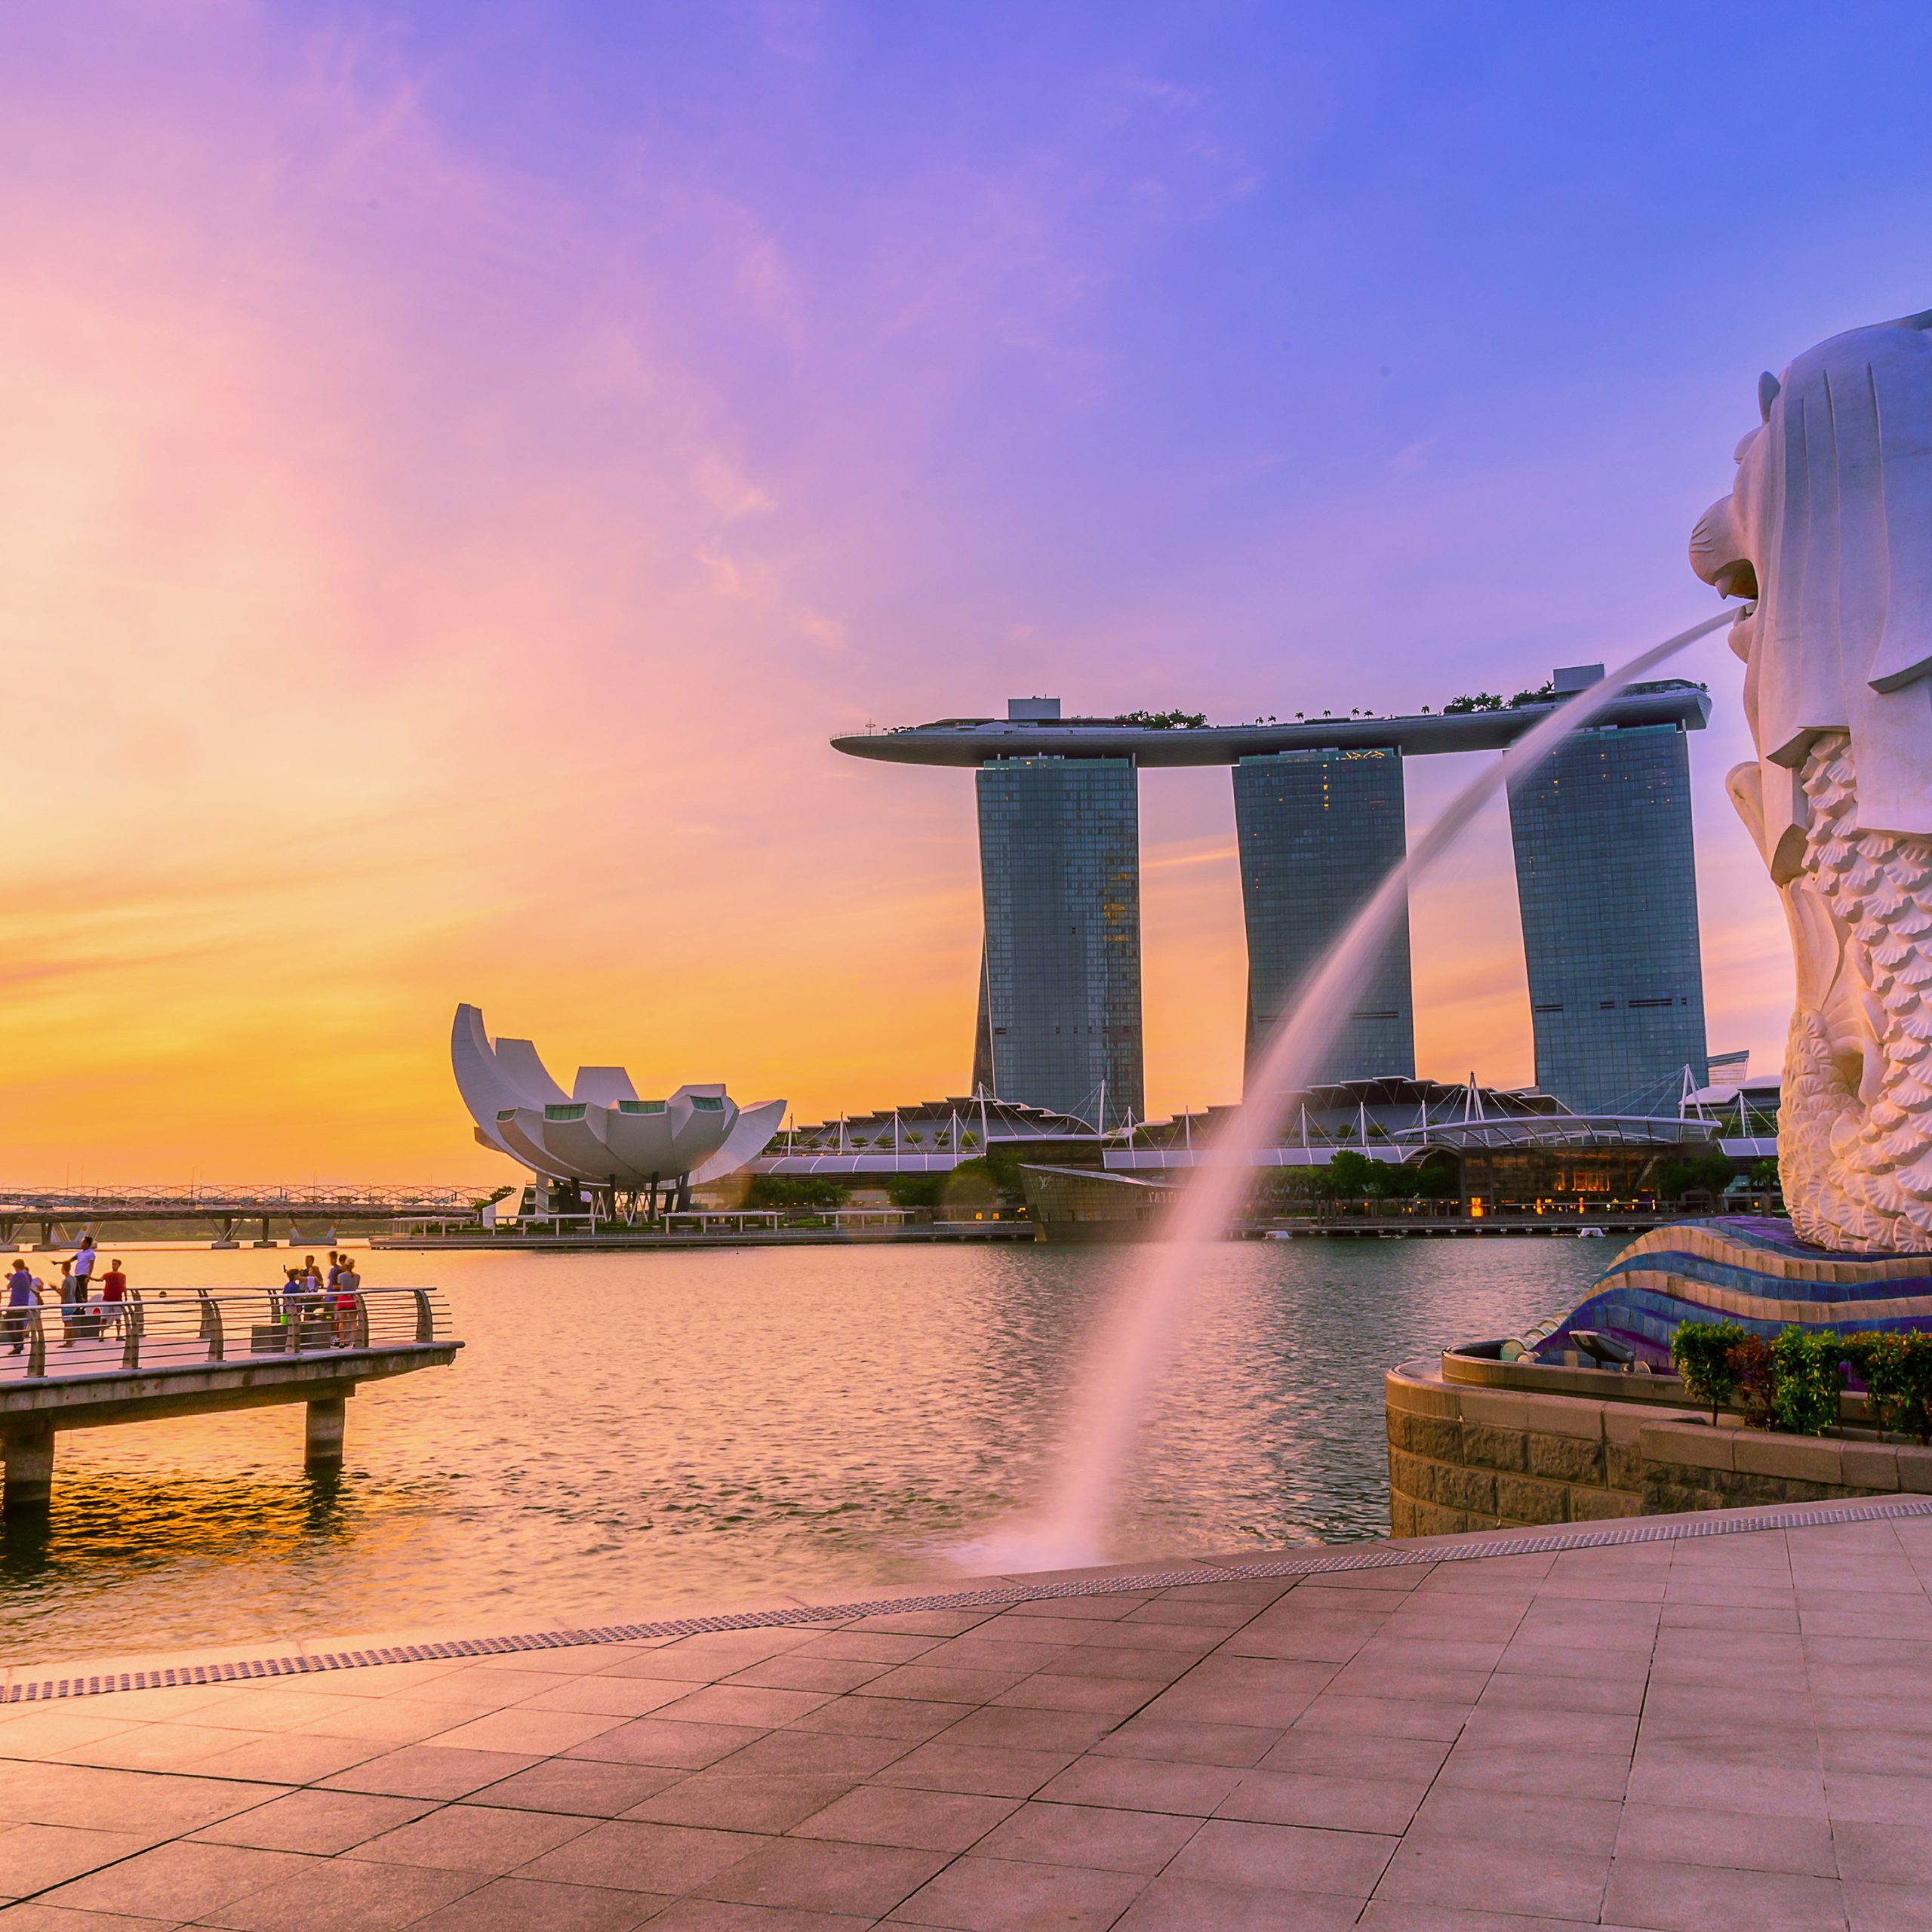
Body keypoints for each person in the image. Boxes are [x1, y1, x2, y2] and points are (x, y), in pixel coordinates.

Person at [5, 1260, 37, 1355]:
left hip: (15, 1302)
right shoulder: (28, 1275)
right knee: (19, 1323)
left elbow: (9, 1286)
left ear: (16, 1267)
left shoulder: (18, 1275)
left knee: (8, 1322)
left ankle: (17, 1344)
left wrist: (10, 1278)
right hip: (24, 1302)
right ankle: (20, 1344)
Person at [333, 1254, 361, 1346]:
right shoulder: (357, 1276)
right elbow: (356, 1287)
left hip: (343, 1298)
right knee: (353, 1321)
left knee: (342, 1321)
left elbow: (340, 1287)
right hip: (352, 1298)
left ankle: (342, 1341)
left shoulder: (341, 1276)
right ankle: (355, 1341)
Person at [100, 1257, 129, 1338]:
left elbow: (124, 1286)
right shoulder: (107, 1274)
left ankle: (118, 1334)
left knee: (118, 1318)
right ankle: (102, 1335)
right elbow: (100, 1280)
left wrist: (126, 1296)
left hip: (117, 1299)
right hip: (107, 1299)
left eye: (115, 1264)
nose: (113, 1266)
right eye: (113, 1264)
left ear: (119, 1265)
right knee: (104, 1318)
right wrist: (90, 1277)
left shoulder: (122, 1276)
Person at [57, 1260, 81, 1346]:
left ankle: (69, 1341)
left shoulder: (66, 1281)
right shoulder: (74, 1279)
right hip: (73, 1302)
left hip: (67, 1303)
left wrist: (54, 1288)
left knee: (67, 1322)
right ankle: (70, 1339)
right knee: (69, 1322)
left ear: (63, 1269)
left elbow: (63, 1294)